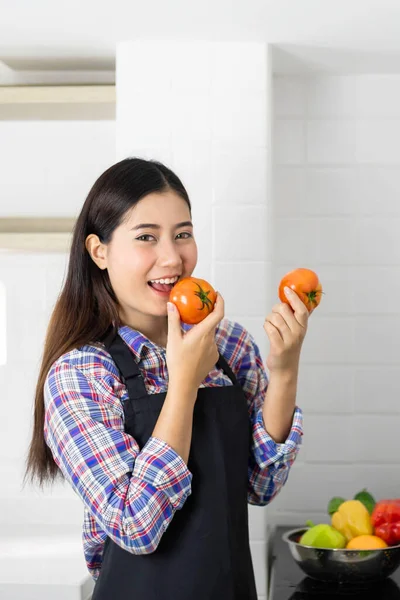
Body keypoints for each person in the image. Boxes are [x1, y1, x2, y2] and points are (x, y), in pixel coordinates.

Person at [24, 157, 308, 600]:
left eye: (183, 234)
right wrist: (184, 385)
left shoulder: (229, 344)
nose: (172, 258)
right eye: (146, 238)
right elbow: (136, 526)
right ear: (99, 251)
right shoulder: (81, 375)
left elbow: (261, 485)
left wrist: (285, 369)